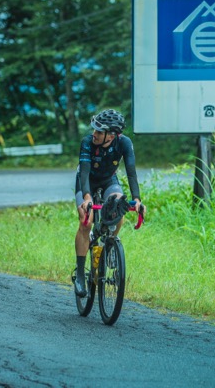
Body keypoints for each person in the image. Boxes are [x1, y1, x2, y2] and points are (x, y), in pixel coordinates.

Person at [73, 109, 146, 297]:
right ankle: (80, 274)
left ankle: (110, 244)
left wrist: (136, 200)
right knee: (86, 220)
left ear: (111, 135)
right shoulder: (87, 143)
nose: (94, 134)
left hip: (108, 181)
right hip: (86, 181)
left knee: (118, 208)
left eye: (98, 131)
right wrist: (87, 198)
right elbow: (84, 172)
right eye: (94, 130)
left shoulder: (124, 143)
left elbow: (131, 172)